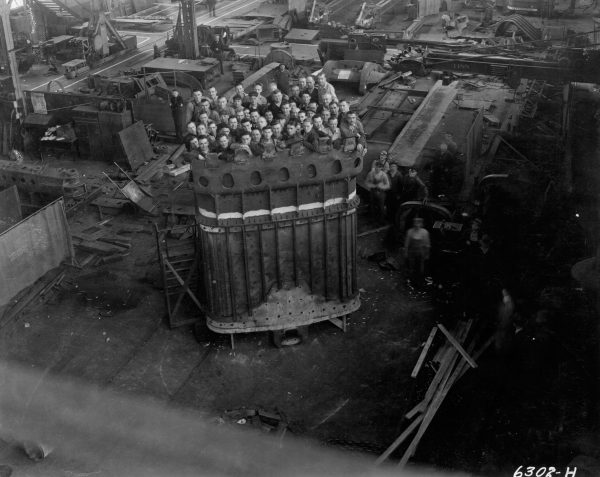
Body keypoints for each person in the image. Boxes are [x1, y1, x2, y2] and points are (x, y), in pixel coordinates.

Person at [404, 218, 431, 289]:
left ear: (421, 224)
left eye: (418, 223)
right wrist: (406, 252)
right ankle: (412, 281)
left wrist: (427, 254)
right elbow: (407, 243)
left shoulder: (424, 232)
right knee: (412, 267)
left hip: (421, 252)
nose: (416, 225)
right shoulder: (410, 232)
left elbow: (427, 244)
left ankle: (419, 282)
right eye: (415, 223)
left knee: (420, 268)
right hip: (412, 252)